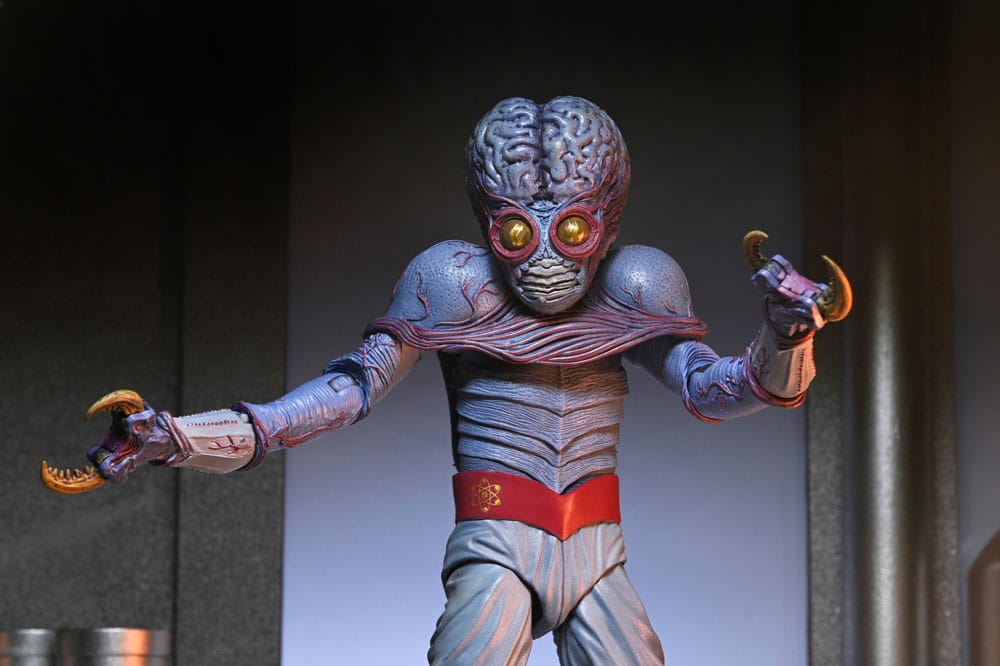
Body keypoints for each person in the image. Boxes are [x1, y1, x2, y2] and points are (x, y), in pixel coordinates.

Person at [68, 96, 849, 664]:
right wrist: (181, 437)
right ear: (487, 222)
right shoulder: (454, 283)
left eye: (571, 229)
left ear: (606, 221)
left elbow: (716, 390)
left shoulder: (635, 283)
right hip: (498, 542)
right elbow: (349, 390)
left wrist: (788, 335)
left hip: (598, 549)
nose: (545, 259)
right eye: (517, 231)